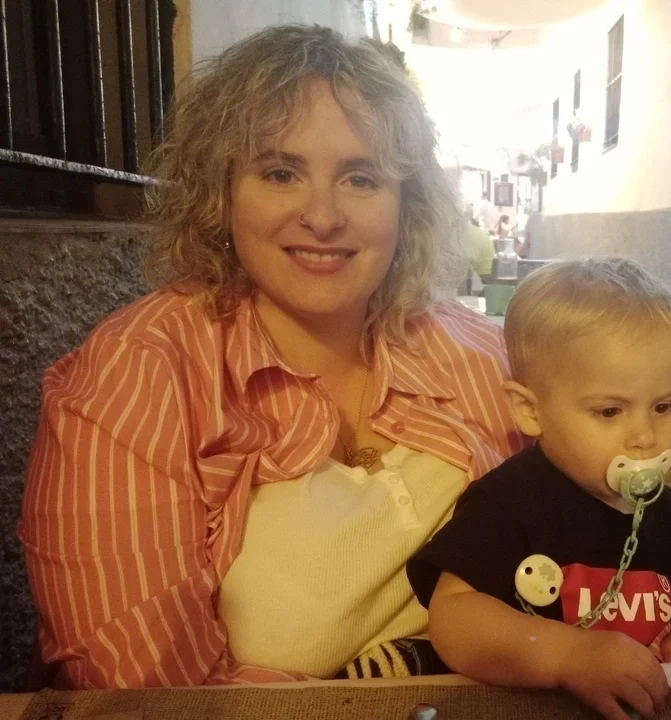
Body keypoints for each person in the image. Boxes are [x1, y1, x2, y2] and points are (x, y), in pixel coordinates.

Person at [18, 25, 525, 689]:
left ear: (407, 205)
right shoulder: (135, 376)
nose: (322, 216)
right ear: (220, 192)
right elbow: (141, 689)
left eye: (361, 178)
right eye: (281, 173)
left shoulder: (488, 358)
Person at [407, 258, 671, 720]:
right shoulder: (508, 502)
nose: (644, 437)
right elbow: (454, 617)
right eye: (609, 412)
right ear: (530, 411)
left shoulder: (667, 510)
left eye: (662, 406)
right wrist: (566, 655)